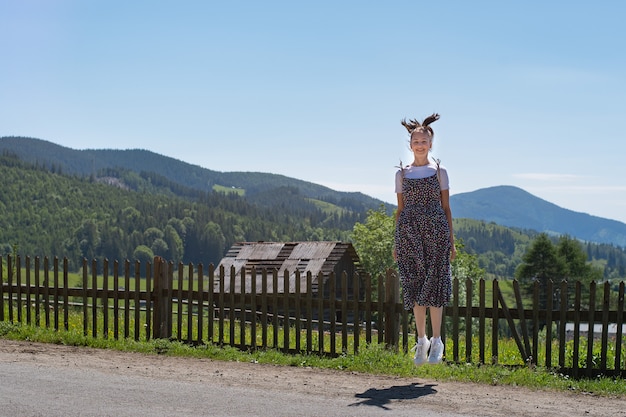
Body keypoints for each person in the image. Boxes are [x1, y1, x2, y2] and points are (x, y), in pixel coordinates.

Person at [393, 113, 456, 366]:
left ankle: (437, 340)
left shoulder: (440, 172)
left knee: (436, 285)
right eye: (415, 141)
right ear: (410, 145)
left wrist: (451, 240)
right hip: (409, 233)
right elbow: (400, 210)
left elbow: (446, 208)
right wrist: (396, 242)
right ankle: (421, 340)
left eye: (423, 141)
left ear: (431, 144)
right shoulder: (402, 175)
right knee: (415, 286)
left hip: (436, 232)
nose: (419, 145)